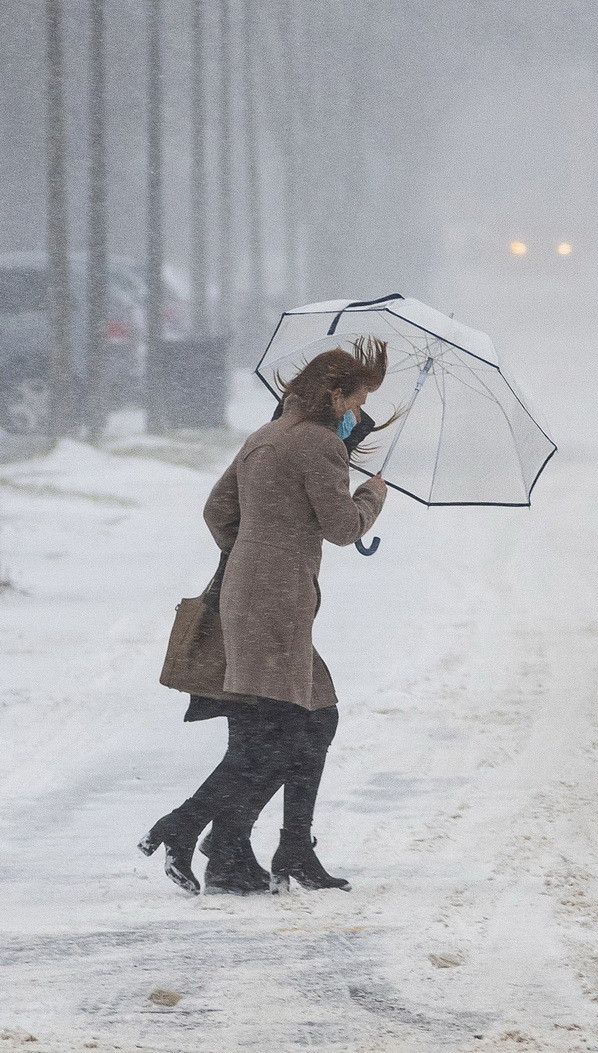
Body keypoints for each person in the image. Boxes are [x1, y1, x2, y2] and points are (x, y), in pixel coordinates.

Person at [139, 338, 391, 895]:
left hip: (252, 597)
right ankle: (189, 826)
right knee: (278, 735)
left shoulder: (264, 437)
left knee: (307, 720)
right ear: (333, 394)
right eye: (355, 400)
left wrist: (255, 549)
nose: (357, 413)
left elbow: (216, 510)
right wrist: (373, 497)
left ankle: (254, 851)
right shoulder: (320, 446)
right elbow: (343, 528)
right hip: (274, 605)